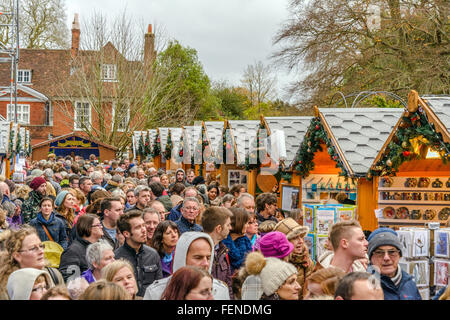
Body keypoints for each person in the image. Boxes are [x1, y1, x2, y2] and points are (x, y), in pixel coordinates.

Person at [143, 232, 230, 300]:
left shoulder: (221, 290)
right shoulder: (156, 292)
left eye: (208, 258)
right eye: (198, 258)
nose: (206, 263)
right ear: (182, 257)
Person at [0, 227, 64, 299]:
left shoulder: (54, 274)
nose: (41, 251)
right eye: (33, 248)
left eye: (41, 246)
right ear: (17, 256)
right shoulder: (7, 286)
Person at [114, 210, 163, 297]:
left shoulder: (153, 254)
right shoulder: (116, 258)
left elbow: (159, 285)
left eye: (143, 225)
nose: (144, 230)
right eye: (138, 227)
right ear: (126, 234)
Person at [367, 228, 421, 300]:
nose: (386, 258)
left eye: (392, 252)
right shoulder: (364, 287)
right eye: (379, 253)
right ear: (370, 257)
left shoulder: (409, 283)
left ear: (400, 255)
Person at [274, 217, 314, 299]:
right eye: (295, 238)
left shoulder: (306, 261)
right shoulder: (278, 265)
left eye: (301, 237)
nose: (301, 241)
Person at [59, 214, 104, 282]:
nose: (101, 227)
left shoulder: (100, 246)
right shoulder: (72, 251)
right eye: (98, 225)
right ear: (88, 228)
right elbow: (69, 280)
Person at [201, 206, 233, 298]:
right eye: (228, 225)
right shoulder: (198, 251)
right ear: (219, 228)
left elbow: (228, 284)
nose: (230, 228)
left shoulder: (223, 250)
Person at [221, 207, 252, 273]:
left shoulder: (245, 241)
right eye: (246, 223)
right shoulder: (222, 243)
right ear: (238, 223)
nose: (248, 226)